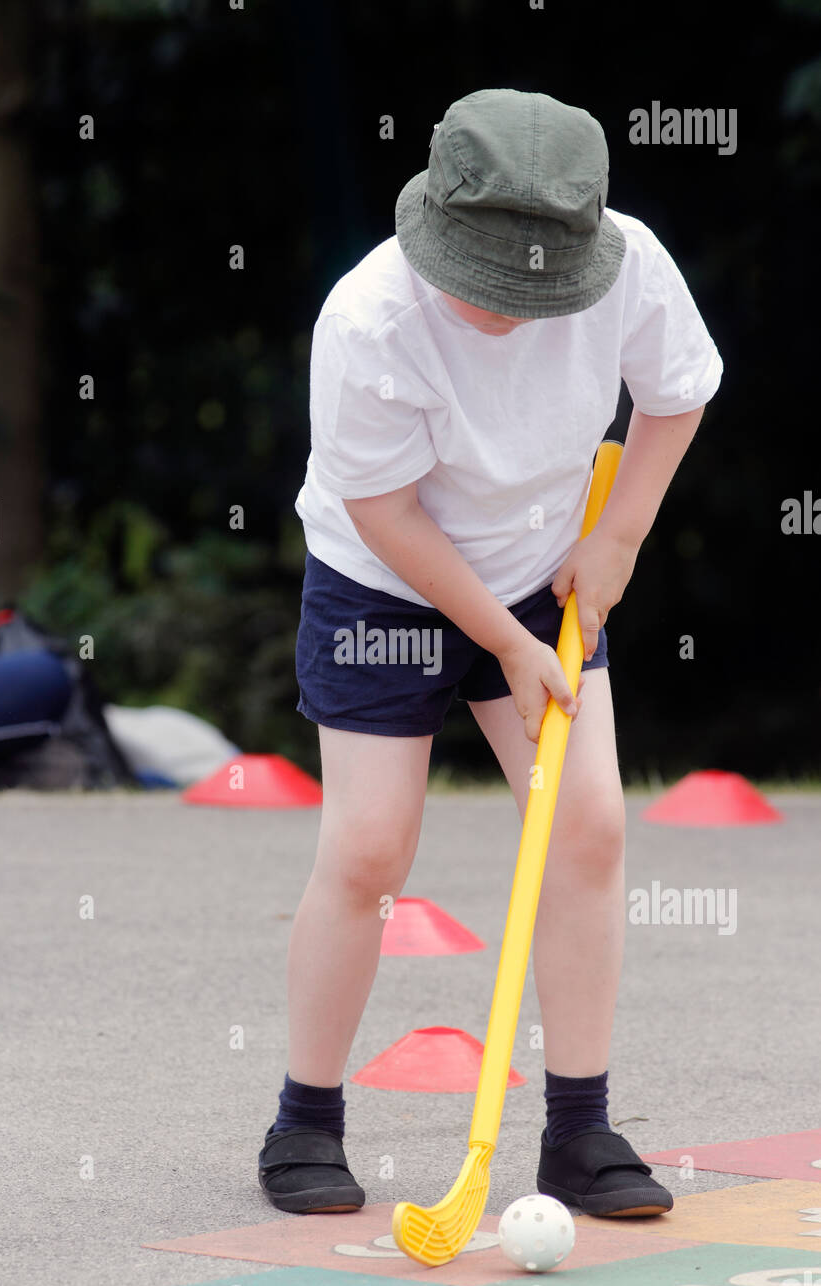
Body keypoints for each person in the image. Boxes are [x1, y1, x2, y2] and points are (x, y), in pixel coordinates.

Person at [257, 89, 722, 1216]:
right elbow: (385, 515)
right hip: (386, 580)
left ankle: (579, 1131)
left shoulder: (631, 267)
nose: (510, 310)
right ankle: (304, 1119)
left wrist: (614, 539)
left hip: (544, 568)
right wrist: (506, 644)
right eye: (488, 284)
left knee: (589, 824)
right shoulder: (367, 319)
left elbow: (676, 394)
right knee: (369, 848)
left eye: (535, 288)